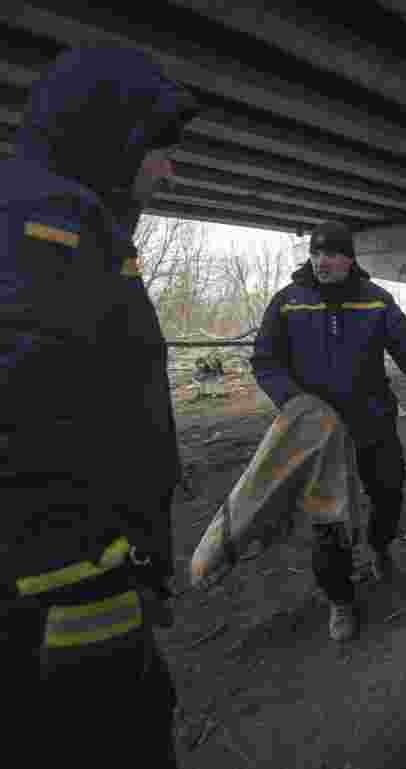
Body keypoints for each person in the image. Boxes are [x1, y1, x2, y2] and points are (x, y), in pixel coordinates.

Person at [0, 44, 200, 766]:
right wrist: (98, 578)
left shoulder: (73, 222)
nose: (169, 168)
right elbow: (31, 421)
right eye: (158, 146)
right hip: (66, 605)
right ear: (109, 133)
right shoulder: (37, 225)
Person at [251, 221, 406, 641]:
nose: (322, 261)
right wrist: (294, 400)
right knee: (328, 519)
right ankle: (340, 600)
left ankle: (380, 543)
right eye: (316, 254)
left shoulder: (375, 301)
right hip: (318, 433)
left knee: (389, 491)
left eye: (331, 254)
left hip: (373, 423)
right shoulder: (289, 302)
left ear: (349, 258)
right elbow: (265, 360)